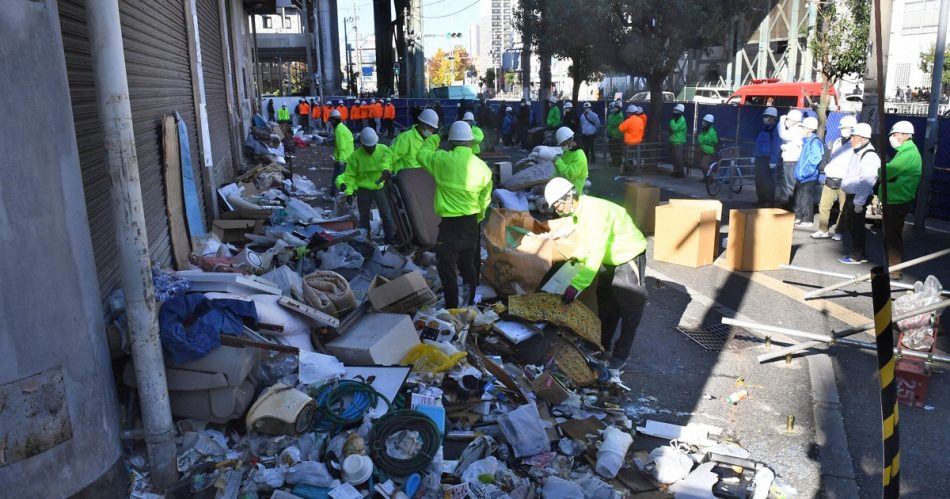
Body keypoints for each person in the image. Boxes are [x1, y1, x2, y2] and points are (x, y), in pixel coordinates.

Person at [543, 177, 648, 370]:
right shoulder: (578, 213)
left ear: (569, 197)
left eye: (557, 205)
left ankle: (620, 355)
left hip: (628, 255)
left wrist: (576, 285)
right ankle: (601, 346)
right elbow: (588, 244)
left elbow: (596, 251)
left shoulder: (594, 213)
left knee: (630, 308)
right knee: (607, 305)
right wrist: (576, 256)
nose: (557, 210)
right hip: (610, 259)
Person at [417, 121, 493, 309]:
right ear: (469, 142)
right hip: (471, 223)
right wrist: (478, 218)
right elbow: (485, 199)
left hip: (450, 226)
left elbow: (421, 155)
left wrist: (436, 137)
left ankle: (452, 309)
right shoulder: (483, 168)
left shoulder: (442, 160)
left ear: (450, 142)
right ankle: (470, 305)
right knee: (468, 266)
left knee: (447, 267)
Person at [336, 128, 396, 243]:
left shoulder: (383, 150)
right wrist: (349, 192)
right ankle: (366, 240)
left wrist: (388, 171)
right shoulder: (355, 156)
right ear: (363, 145)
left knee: (386, 214)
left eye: (373, 146)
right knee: (364, 217)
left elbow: (390, 163)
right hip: (363, 189)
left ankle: (390, 238)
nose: (371, 148)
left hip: (380, 187)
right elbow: (350, 176)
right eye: (369, 147)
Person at [880, 121, 922, 278]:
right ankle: (891, 266)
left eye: (895, 134)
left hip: (898, 199)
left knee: (892, 236)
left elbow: (886, 172)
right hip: (896, 198)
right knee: (891, 234)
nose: (892, 137)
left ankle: (894, 269)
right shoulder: (906, 151)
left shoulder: (908, 153)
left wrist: (880, 168)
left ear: (905, 136)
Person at [839, 123, 879, 265]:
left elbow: (867, 180)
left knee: (855, 227)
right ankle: (860, 254)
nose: (851, 139)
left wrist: (859, 202)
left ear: (863, 138)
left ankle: (857, 256)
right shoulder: (858, 152)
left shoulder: (869, 155)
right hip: (854, 196)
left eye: (854, 137)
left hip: (858, 198)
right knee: (851, 226)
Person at [812, 115, 856, 239]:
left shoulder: (854, 144)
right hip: (830, 178)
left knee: (844, 208)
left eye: (846, 128)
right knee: (824, 206)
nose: (843, 130)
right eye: (842, 128)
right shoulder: (837, 141)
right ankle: (822, 229)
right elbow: (832, 158)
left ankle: (839, 231)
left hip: (844, 181)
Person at [792, 117, 823, 227]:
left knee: (806, 198)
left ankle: (807, 220)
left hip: (808, 177)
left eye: (803, 127)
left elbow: (814, 160)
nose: (801, 129)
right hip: (802, 176)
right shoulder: (807, 141)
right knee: (799, 198)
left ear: (810, 129)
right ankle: (798, 217)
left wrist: (805, 173)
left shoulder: (814, 142)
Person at [390, 108, 440, 173]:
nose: (432, 131)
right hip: (405, 179)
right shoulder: (405, 138)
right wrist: (387, 171)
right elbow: (390, 156)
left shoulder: (430, 140)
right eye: (430, 127)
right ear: (421, 123)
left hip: (422, 178)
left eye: (433, 129)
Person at [753, 107, 782, 207]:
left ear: (773, 118)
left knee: (768, 181)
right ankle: (761, 199)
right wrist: (754, 155)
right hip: (760, 158)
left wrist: (773, 160)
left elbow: (775, 145)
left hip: (768, 160)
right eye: (764, 116)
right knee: (759, 180)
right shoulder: (764, 128)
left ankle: (769, 201)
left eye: (767, 117)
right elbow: (758, 143)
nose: (765, 118)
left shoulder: (774, 130)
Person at [778, 109, 804, 206]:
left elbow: (782, 134)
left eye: (788, 120)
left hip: (792, 161)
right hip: (788, 160)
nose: (787, 122)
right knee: (785, 183)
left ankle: (790, 206)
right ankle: (786, 204)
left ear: (795, 121)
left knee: (789, 185)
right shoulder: (794, 129)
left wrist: (781, 121)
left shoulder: (797, 130)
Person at [552, 126, 588, 194]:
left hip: (572, 193)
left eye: (563, 144)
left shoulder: (579, 156)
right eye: (561, 144)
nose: (562, 146)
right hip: (564, 189)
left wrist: (558, 161)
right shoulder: (567, 152)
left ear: (570, 140)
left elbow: (570, 175)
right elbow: (559, 171)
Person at [329, 110, 353, 196]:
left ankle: (335, 196)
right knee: (344, 178)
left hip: (343, 158)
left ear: (333, 120)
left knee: (338, 178)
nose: (331, 123)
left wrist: (341, 160)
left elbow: (341, 146)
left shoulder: (339, 130)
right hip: (348, 157)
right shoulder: (342, 128)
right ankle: (338, 195)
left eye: (331, 121)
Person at [668, 103, 688, 177]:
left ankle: (681, 173)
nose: (674, 112)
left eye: (676, 111)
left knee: (678, 158)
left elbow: (674, 128)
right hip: (674, 140)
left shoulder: (681, 120)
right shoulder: (676, 119)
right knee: (675, 158)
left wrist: (671, 122)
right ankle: (675, 171)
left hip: (679, 141)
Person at [696, 114, 718, 178]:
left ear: (708, 123)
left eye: (705, 122)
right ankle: (706, 178)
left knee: (704, 165)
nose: (703, 123)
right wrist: (701, 140)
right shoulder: (705, 130)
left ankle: (711, 178)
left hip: (709, 152)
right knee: (702, 165)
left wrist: (701, 140)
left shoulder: (712, 131)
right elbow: (700, 138)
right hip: (703, 150)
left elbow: (705, 139)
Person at [606, 102, 625, 167]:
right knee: (612, 150)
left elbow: (613, 123)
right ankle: (614, 161)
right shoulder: (612, 115)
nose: (615, 109)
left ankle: (618, 162)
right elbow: (610, 121)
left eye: (616, 108)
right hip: (612, 135)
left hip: (617, 136)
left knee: (617, 150)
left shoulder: (620, 115)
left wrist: (610, 122)